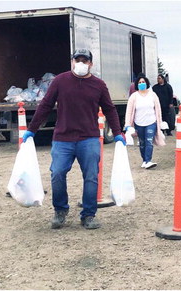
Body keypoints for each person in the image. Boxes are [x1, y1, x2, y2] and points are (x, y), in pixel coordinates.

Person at [22, 49, 125, 230]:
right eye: (78, 60)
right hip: (63, 138)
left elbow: (109, 109)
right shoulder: (60, 81)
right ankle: (60, 210)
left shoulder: (99, 85)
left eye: (85, 61)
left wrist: (117, 132)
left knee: (92, 177)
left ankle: (88, 215)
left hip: (89, 138)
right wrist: (32, 129)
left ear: (91, 64)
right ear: (71, 61)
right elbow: (45, 105)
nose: (81, 64)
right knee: (57, 174)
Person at [125, 76, 166, 169]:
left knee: (149, 141)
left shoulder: (153, 95)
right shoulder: (134, 96)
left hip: (151, 122)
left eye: (143, 82)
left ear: (146, 83)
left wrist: (160, 122)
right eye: (139, 82)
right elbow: (129, 111)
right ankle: (144, 160)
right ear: (137, 85)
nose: (141, 83)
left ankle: (148, 160)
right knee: (142, 142)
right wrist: (127, 124)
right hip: (139, 123)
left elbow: (158, 110)